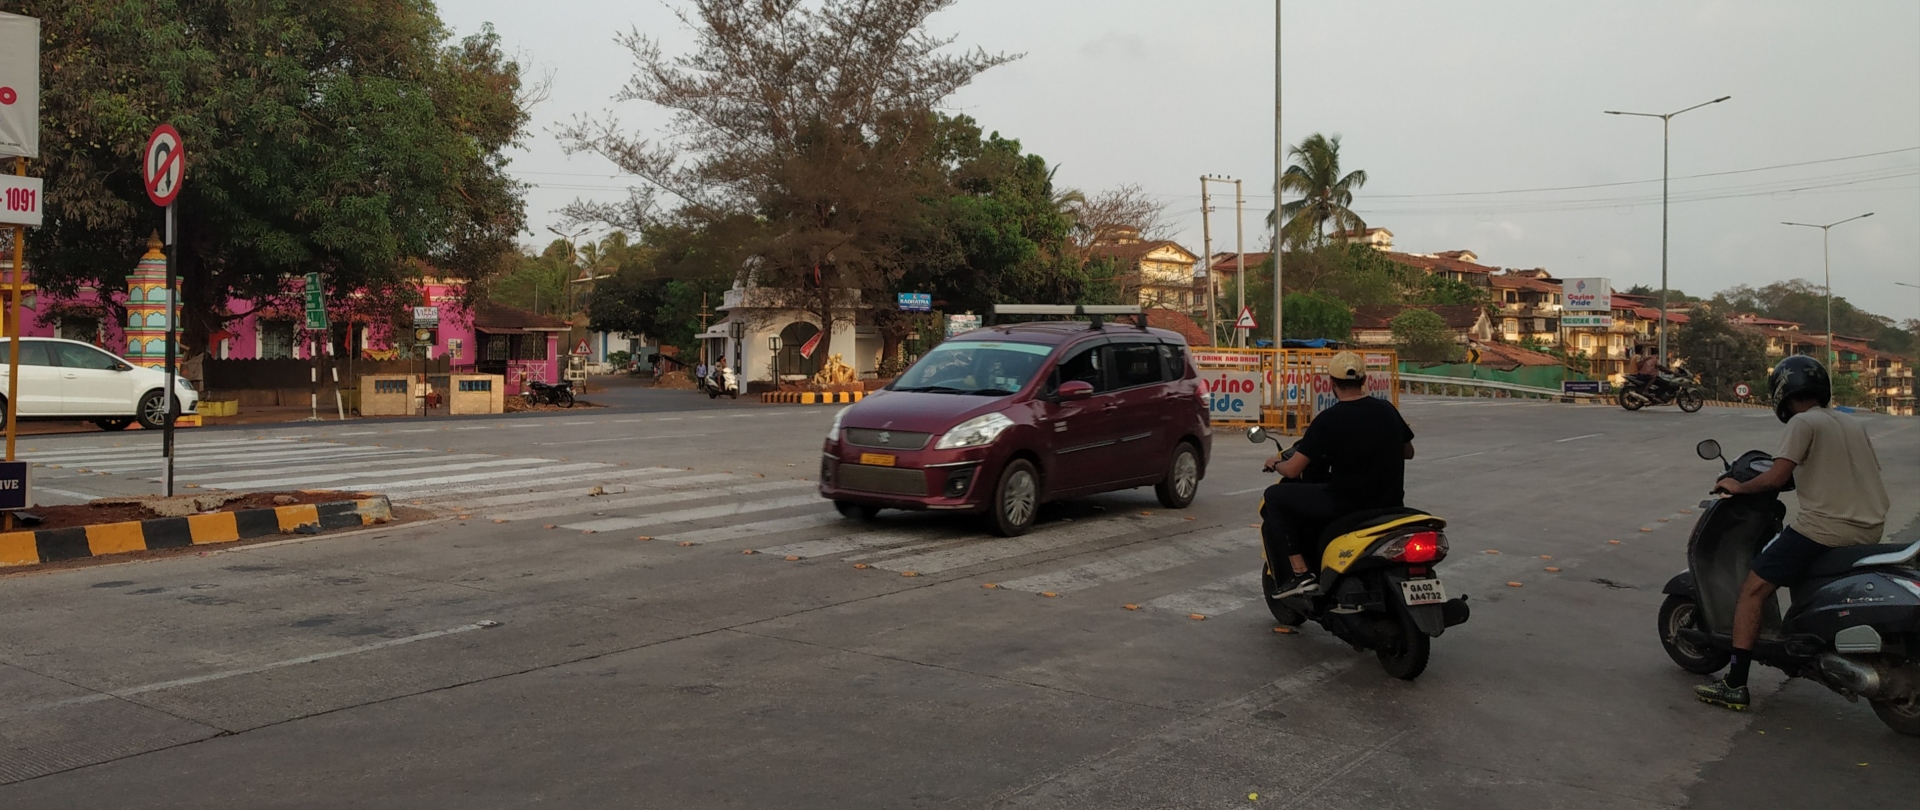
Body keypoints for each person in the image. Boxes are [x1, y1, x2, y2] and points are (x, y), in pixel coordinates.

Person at [1694, 356, 1889, 711]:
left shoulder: (1803, 423)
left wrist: (1738, 486)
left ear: (1783, 390)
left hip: (1825, 527)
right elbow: (1828, 472)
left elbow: (1775, 477)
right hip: (1870, 527)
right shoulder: (1851, 424)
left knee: (1752, 589)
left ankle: (1735, 684)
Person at [1260, 352, 1417, 598]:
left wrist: (1276, 462)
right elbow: (1408, 452)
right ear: (1364, 380)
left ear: (1331, 384)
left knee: (1275, 496)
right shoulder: (1386, 409)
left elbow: (1293, 470)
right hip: (1390, 503)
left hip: (1345, 504)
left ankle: (1298, 574)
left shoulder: (1327, 421)